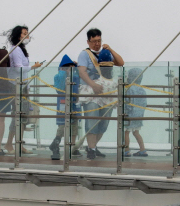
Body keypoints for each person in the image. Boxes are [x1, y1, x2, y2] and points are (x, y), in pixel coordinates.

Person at [76, 28, 124, 159]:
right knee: (92, 120)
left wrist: (110, 49)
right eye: (94, 41)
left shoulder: (105, 53)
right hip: (90, 91)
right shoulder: (84, 55)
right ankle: (91, 148)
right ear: (88, 41)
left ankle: (93, 146)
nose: (97, 44)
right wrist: (93, 85)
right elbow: (82, 72)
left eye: (99, 40)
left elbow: (120, 62)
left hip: (106, 92)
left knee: (104, 122)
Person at [4, 25, 43, 155]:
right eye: (24, 34)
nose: (26, 36)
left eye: (27, 33)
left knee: (23, 116)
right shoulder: (15, 49)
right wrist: (33, 66)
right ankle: (10, 143)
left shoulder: (21, 50)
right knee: (18, 116)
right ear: (17, 35)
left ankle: (18, 144)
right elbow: (18, 68)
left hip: (23, 86)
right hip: (16, 86)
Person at [48, 55, 81, 161]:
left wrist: (76, 67)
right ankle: (56, 144)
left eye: (71, 67)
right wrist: (62, 71)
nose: (69, 69)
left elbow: (80, 80)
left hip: (75, 103)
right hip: (63, 104)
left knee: (74, 125)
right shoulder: (58, 76)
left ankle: (73, 147)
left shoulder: (75, 76)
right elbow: (60, 88)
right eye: (67, 67)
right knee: (62, 125)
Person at [122, 67, 148, 157]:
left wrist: (125, 112)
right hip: (138, 115)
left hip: (129, 115)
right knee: (136, 132)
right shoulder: (142, 89)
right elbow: (144, 104)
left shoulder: (129, 88)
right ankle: (142, 150)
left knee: (126, 132)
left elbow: (128, 102)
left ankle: (126, 150)